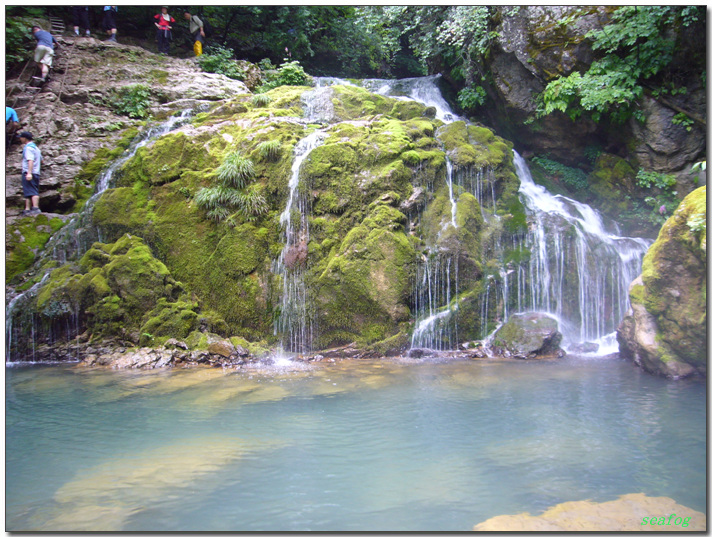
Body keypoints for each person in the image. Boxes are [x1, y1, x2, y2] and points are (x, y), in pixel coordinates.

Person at [19, 131, 42, 215]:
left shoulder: (29, 148)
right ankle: (27, 209)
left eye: (21, 137)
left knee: (32, 191)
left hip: (30, 172)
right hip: (36, 172)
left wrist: (29, 173)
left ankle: (35, 208)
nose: (20, 139)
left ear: (24, 138)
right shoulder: (36, 148)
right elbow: (41, 160)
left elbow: (30, 160)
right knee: (28, 191)